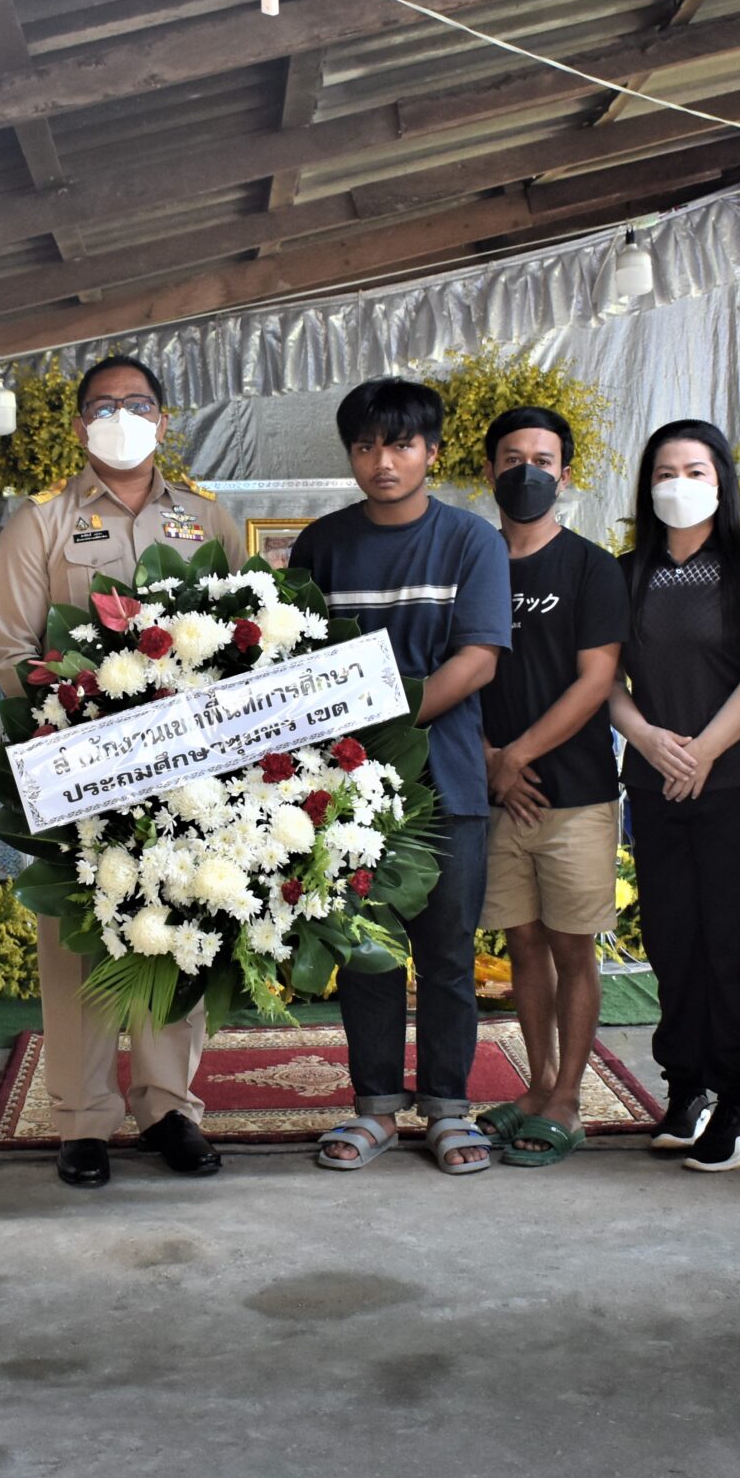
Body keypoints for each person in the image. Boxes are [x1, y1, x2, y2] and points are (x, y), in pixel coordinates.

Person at [0, 354, 240, 1187]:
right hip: (80, 767)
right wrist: (81, 718)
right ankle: (83, 1118)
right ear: (78, 425)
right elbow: (12, 649)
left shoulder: (207, 517)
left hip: (187, 769)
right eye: (102, 406)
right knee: (79, 941)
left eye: (136, 404)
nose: (120, 418)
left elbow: (244, 633)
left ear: (163, 420)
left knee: (180, 923)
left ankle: (170, 1107)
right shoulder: (41, 523)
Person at [293, 378, 510, 1175]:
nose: (382, 462)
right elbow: (297, 662)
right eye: (365, 446)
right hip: (347, 791)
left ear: (432, 452)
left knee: (448, 954)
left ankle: (450, 1109)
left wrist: (393, 721)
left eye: (400, 444)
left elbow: (478, 659)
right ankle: (375, 1107)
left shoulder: (472, 542)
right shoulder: (322, 545)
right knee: (366, 950)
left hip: (445, 783)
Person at [609, 420, 740, 1174]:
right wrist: (647, 738)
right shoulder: (625, 572)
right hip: (657, 778)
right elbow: (604, 678)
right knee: (674, 935)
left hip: (738, 779)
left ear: (722, 482)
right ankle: (687, 1087)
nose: (678, 484)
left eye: (696, 471)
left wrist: (706, 749)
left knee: (735, 939)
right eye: (665, 472)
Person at [472, 406, 628, 1168]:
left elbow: (596, 679)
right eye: (512, 458)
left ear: (564, 475)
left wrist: (515, 757)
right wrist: (487, 758)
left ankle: (569, 1095)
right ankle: (536, 1084)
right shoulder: (472, 562)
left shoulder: (592, 567)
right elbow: (455, 667)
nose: (526, 472)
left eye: (542, 459)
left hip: (573, 791)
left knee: (572, 948)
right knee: (522, 943)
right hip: (496, 793)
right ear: (489, 471)